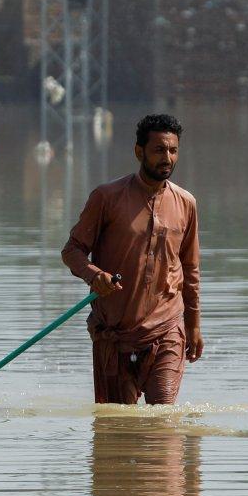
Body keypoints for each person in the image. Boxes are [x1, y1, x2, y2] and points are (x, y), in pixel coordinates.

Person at [62, 114, 203, 404]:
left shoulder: (186, 203)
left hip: (167, 327)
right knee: (117, 422)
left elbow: (190, 269)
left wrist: (193, 325)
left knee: (162, 416)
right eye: (159, 150)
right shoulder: (107, 197)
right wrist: (94, 275)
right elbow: (72, 250)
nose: (167, 158)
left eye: (173, 150)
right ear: (139, 152)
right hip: (114, 333)